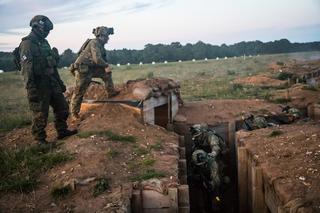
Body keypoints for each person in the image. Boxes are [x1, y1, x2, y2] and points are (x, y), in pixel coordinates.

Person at [19, 15, 77, 146]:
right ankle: (40, 141)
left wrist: (60, 83)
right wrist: (31, 89)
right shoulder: (27, 44)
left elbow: (52, 65)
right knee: (40, 113)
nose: (47, 33)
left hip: (51, 81)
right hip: (39, 85)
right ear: (36, 27)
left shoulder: (44, 43)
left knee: (62, 107)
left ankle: (62, 131)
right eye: (45, 30)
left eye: (48, 31)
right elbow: (26, 70)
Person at [69, 26, 119, 119]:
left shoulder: (101, 46)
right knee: (79, 91)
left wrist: (105, 66)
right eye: (107, 36)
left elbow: (101, 60)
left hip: (91, 68)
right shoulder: (94, 43)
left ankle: (111, 92)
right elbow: (97, 59)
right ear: (101, 36)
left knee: (106, 74)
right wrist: (106, 65)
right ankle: (74, 114)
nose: (108, 39)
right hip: (82, 69)